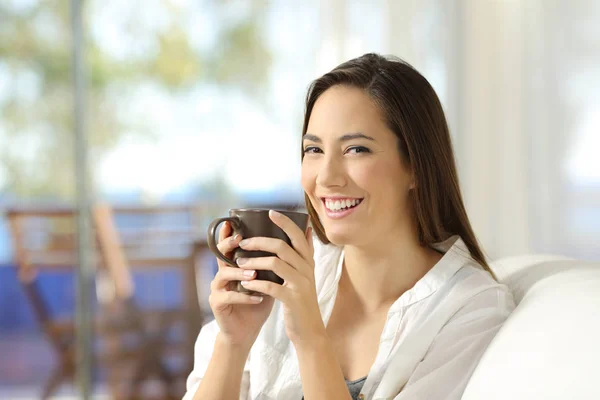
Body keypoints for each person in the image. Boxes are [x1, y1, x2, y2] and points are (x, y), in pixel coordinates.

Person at [183, 53, 515, 400]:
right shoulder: (284, 276)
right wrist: (233, 342)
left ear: (416, 165)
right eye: (313, 149)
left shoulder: (471, 310)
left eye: (356, 149)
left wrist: (312, 338)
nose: (325, 177)